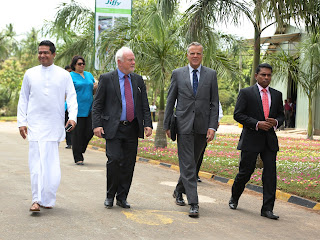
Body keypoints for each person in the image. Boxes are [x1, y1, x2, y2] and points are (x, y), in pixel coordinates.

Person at [17, 40, 78, 212]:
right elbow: (24, 99)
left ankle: (48, 198)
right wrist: (22, 122)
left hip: (54, 126)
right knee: (36, 164)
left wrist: (72, 118)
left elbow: (72, 97)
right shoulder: (30, 74)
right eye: (40, 52)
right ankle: (36, 199)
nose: (42, 55)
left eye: (46, 52)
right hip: (35, 125)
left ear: (53, 54)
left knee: (51, 166)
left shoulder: (63, 75)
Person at [163, 42, 219, 218]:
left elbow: (214, 103)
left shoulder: (211, 75)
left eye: (198, 54)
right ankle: (194, 203)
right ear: (187, 55)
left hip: (203, 127)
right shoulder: (177, 74)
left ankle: (178, 190)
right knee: (188, 164)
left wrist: (212, 126)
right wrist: (167, 124)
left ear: (203, 55)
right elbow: (170, 100)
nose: (195, 56)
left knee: (192, 163)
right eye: (192, 53)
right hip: (183, 125)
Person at [92, 46, 152, 209]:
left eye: (133, 59)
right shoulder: (106, 78)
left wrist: (147, 123)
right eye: (130, 60)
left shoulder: (138, 80)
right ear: (119, 62)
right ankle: (110, 195)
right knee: (114, 160)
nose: (133, 62)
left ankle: (122, 197)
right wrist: (97, 125)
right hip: (113, 128)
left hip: (132, 128)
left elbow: (144, 104)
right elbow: (97, 105)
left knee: (129, 163)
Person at [228, 63, 284, 220]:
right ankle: (234, 197)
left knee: (270, 175)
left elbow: (281, 116)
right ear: (256, 76)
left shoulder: (277, 94)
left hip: (269, 141)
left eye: (269, 75)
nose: (266, 77)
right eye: (263, 75)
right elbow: (238, 114)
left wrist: (276, 122)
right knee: (245, 172)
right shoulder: (246, 93)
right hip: (251, 139)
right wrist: (257, 124)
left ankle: (267, 209)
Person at [69, 55, 97, 165]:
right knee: (77, 134)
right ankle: (78, 157)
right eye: (79, 64)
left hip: (90, 107)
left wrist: (95, 87)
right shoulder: (70, 76)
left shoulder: (89, 75)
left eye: (83, 63)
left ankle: (81, 148)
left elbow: (93, 90)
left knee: (90, 131)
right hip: (76, 109)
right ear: (74, 65)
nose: (82, 65)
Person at [196, 101, 223, 182]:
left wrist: (215, 123)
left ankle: (195, 173)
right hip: (189, 126)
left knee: (200, 152)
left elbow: (218, 110)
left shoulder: (211, 95)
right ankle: (187, 175)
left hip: (204, 127)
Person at [64, 65, 72, 149]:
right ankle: (69, 142)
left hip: (74, 107)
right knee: (67, 124)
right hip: (65, 107)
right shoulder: (63, 81)